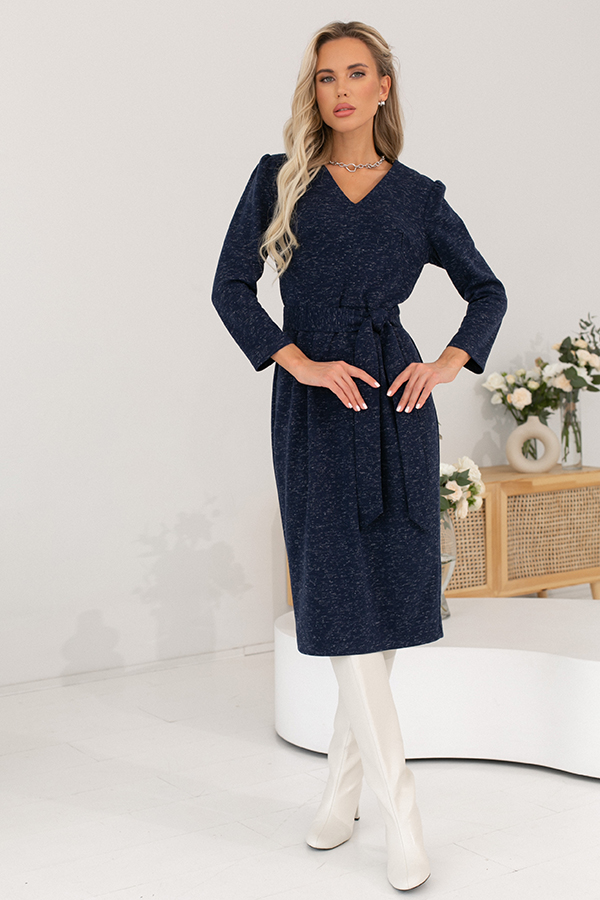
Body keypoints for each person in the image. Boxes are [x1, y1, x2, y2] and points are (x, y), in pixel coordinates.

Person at [212, 20, 507, 892]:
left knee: (379, 610)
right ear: (314, 91)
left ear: (383, 87)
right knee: (342, 600)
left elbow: (486, 290)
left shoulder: (419, 197)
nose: (339, 89)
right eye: (325, 76)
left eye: (355, 73)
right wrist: (294, 359)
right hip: (315, 414)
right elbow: (231, 286)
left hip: (396, 410)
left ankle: (343, 793)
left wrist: (445, 363)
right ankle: (403, 819)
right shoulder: (279, 180)